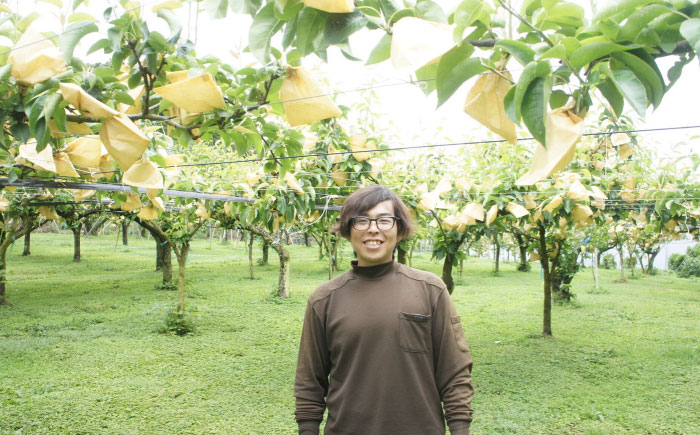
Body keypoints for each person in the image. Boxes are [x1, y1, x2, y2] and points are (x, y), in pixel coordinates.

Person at [294, 185, 474, 435]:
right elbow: (310, 379)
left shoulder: (430, 289)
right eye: (362, 221)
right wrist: (307, 428)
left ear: (400, 230)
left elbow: (454, 369)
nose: (373, 229)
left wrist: (460, 428)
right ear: (348, 230)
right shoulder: (325, 299)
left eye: (384, 220)